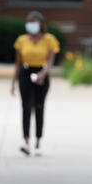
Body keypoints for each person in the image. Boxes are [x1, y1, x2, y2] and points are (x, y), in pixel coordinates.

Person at [11, 11, 59, 156]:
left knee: (39, 107)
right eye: (28, 22)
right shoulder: (21, 40)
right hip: (26, 73)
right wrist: (13, 82)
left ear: (41, 24)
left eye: (33, 22)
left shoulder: (50, 39)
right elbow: (18, 64)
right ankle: (26, 141)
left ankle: (38, 142)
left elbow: (50, 61)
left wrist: (42, 74)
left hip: (42, 74)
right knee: (26, 107)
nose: (30, 24)